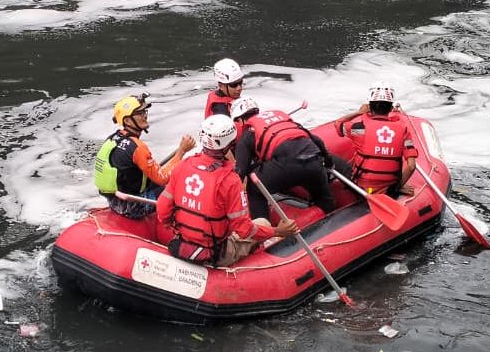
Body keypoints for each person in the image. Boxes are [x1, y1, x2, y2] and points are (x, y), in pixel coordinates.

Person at [156, 114, 298, 267]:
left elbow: (163, 211)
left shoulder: (182, 166)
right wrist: (278, 231)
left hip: (182, 244)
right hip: (216, 253)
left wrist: (179, 228)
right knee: (263, 222)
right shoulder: (230, 180)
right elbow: (244, 230)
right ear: (229, 144)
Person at [231, 97, 348, 220]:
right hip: (314, 160)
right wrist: (328, 163)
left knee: (255, 186)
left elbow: (241, 171)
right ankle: (333, 217)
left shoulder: (247, 135)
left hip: (287, 166)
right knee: (324, 198)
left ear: (240, 120)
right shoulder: (284, 121)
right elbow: (317, 141)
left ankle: (262, 225)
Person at [93, 93, 195, 219]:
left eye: (144, 112)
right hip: (132, 207)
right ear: (127, 121)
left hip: (115, 201)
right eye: (140, 113)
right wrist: (181, 151)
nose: (145, 116)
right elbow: (163, 178)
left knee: (158, 183)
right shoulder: (137, 147)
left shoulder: (113, 138)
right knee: (177, 186)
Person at [335, 82, 419, 196]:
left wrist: (359, 112)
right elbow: (411, 166)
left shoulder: (360, 130)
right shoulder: (403, 131)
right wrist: (397, 187)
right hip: (388, 189)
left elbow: (338, 124)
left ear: (370, 107)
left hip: (361, 188)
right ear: (391, 108)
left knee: (328, 157)